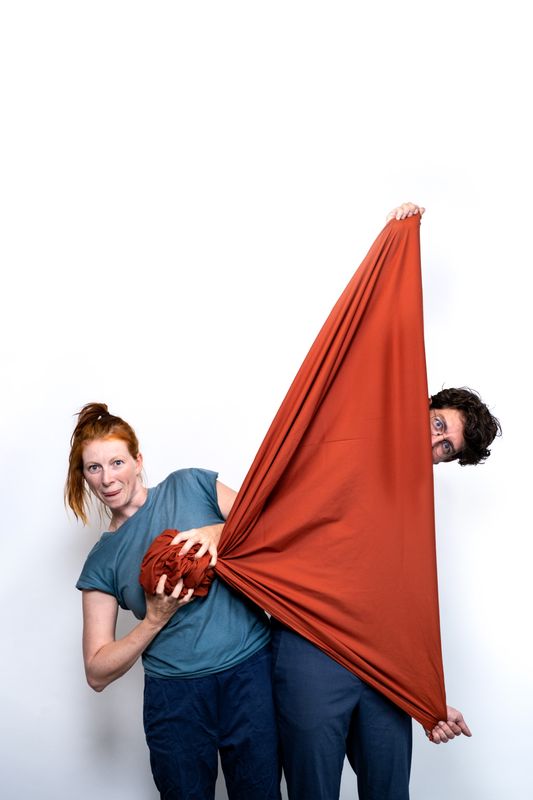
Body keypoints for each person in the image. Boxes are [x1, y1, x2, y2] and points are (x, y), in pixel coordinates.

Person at [267, 203, 502, 800]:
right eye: (438, 424)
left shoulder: (412, 512)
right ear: (420, 405)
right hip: (312, 646)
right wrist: (397, 242)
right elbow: (371, 348)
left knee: (389, 790)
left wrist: (427, 697)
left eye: (446, 448)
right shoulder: (356, 433)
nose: (435, 443)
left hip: (381, 667)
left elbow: (408, 604)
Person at [68, 403, 280, 800]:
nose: (107, 478)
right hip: (175, 699)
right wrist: (153, 619)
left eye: (116, 462)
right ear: (84, 476)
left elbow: (272, 523)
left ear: (138, 461)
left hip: (249, 674)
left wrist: (217, 533)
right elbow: (96, 671)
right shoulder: (102, 560)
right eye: (94, 468)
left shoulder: (191, 485)